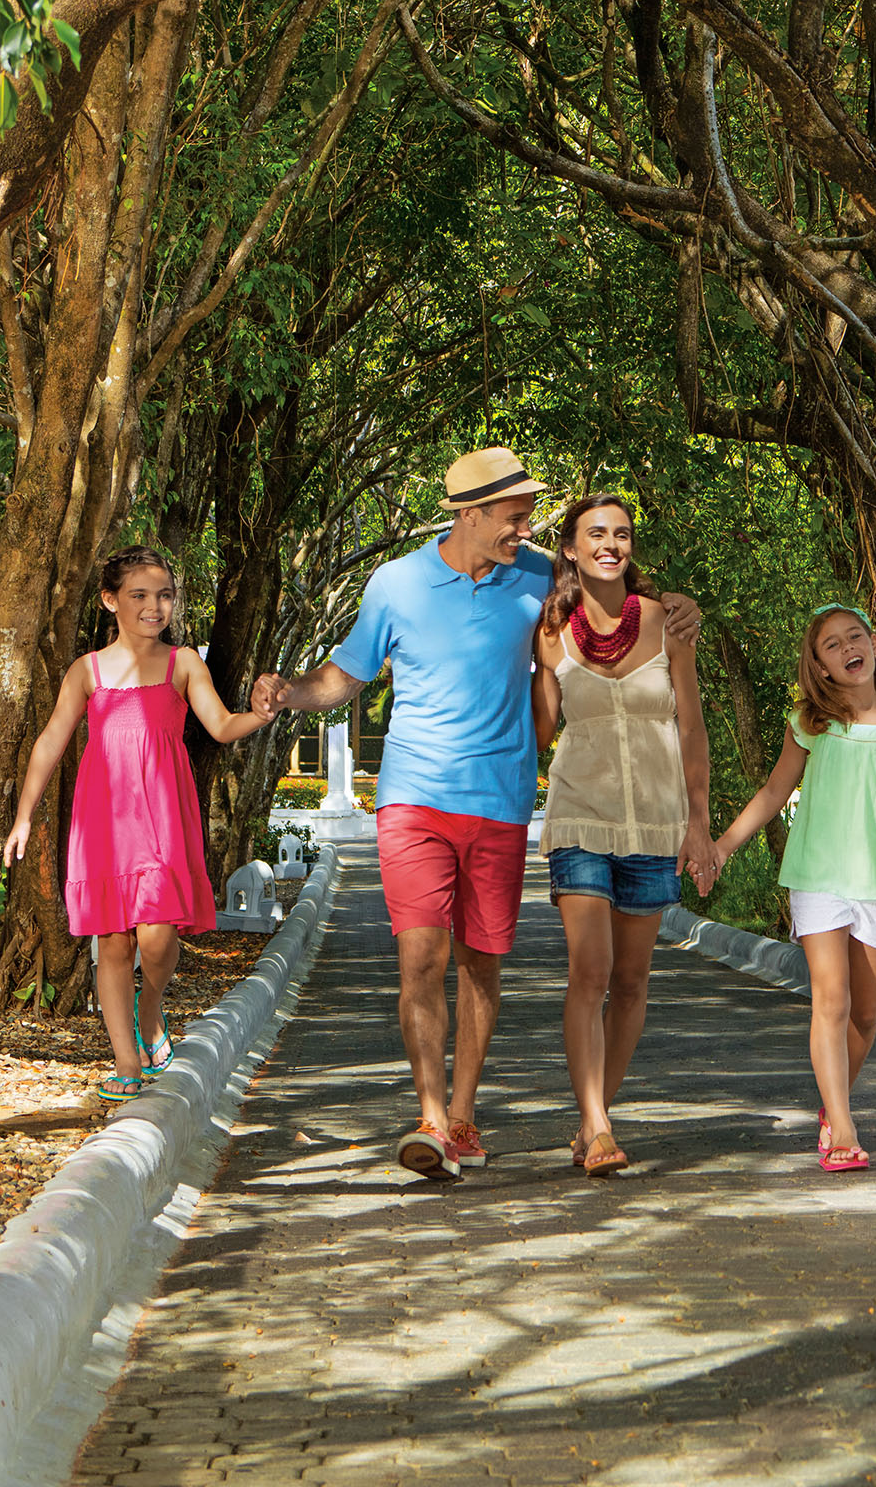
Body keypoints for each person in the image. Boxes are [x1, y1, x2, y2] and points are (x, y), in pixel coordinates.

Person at [255, 447, 688, 1182]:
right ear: (470, 513)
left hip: (500, 802)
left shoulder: (539, 576)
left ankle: (462, 1116)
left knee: (480, 964)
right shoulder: (396, 584)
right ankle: (428, 1116)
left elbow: (615, 589)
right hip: (414, 796)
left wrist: (680, 606)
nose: (525, 529)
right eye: (514, 517)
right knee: (419, 958)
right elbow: (345, 674)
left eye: (527, 517)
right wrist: (288, 691)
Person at [4, 548, 276, 1107]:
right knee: (112, 942)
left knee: (157, 934)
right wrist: (24, 816)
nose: (156, 607)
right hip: (103, 817)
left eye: (165, 596)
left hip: (162, 814)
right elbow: (52, 740)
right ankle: (126, 1061)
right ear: (110, 600)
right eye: (141, 596)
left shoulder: (184, 664)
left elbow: (222, 727)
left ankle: (149, 1006)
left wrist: (264, 714)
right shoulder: (87, 670)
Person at [698, 602, 876, 1173]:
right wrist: (723, 846)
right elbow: (775, 791)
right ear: (820, 666)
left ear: (875, 646)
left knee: (867, 1013)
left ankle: (833, 1105)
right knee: (831, 1000)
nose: (848, 647)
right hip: (818, 878)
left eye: (856, 636)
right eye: (832, 644)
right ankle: (844, 1126)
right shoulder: (811, 723)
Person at [532, 493, 711, 1176]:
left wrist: (699, 825)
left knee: (633, 982)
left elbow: (691, 728)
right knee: (592, 971)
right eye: (596, 533)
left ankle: (591, 1119)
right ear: (572, 550)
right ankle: (599, 1125)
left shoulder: (670, 624)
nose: (611, 543)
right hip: (580, 816)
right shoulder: (550, 632)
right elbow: (543, 730)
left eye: (623, 533)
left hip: (657, 825)